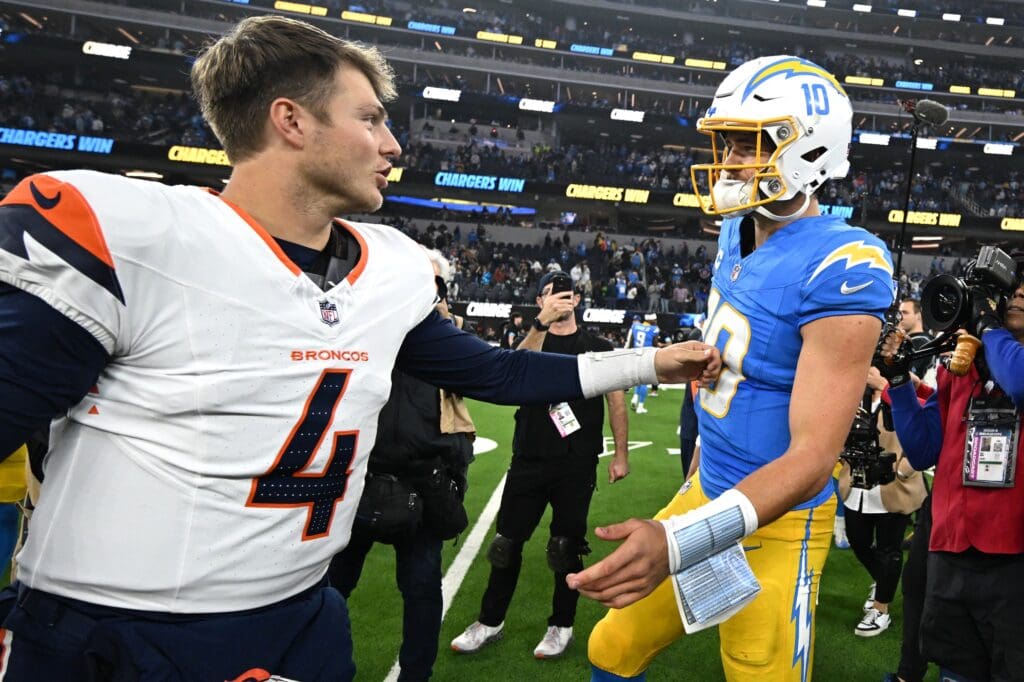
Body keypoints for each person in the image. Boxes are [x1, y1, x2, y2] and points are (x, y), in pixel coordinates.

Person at [0, 15, 719, 681]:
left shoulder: (389, 269)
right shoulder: (138, 236)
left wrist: (654, 361)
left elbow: (499, 372)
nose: (393, 145)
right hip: (116, 629)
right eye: (370, 118)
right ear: (291, 121)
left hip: (302, 617)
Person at [574, 55, 896, 682]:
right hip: (708, 484)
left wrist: (680, 541)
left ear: (806, 150)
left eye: (747, 146)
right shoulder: (737, 230)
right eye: (726, 145)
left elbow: (808, 461)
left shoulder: (846, 262)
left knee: (756, 670)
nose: (728, 164)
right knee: (611, 647)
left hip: (779, 520)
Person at [451, 270, 630, 660]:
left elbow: (616, 398)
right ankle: (490, 620)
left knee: (565, 548)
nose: (559, 301)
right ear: (539, 301)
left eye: (565, 295)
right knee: (505, 545)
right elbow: (512, 370)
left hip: (576, 464)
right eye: (550, 295)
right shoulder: (534, 339)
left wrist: (620, 454)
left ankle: (560, 625)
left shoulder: (596, 346)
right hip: (529, 458)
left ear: (578, 301)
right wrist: (541, 323)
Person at [328, 252, 474, 682]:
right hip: (360, 479)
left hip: (425, 481)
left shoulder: (451, 342)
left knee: (422, 590)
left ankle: (416, 675)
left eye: (432, 286)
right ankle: (322, 665)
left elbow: (493, 372)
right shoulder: (367, 329)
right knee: (331, 587)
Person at [882, 279, 1024, 681]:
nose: (1016, 299)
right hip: (951, 550)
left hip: (1014, 558)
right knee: (955, 671)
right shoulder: (961, 369)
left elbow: (1018, 381)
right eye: (1013, 293)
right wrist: (897, 380)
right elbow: (925, 448)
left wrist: (989, 328)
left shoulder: (1004, 361)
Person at [836, 368, 927, 638]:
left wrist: (906, 468)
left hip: (894, 486)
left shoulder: (903, 390)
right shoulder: (854, 391)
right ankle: (883, 580)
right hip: (857, 484)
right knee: (858, 541)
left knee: (890, 549)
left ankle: (881, 608)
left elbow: (925, 421)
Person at [625, 313, 662, 413]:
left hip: (636, 355)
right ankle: (640, 406)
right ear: (652, 320)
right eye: (655, 319)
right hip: (646, 356)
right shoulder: (654, 329)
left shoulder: (636, 326)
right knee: (645, 382)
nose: (656, 321)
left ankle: (635, 397)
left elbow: (631, 342)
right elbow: (654, 344)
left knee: (638, 380)